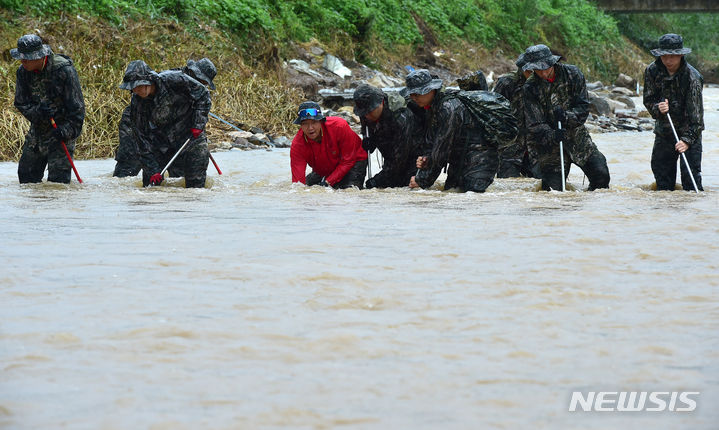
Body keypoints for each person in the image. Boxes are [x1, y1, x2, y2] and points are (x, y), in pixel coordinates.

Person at [405, 69, 513, 192]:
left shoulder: (448, 108)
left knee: (472, 197)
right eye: (411, 94)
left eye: (417, 94)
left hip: (480, 160)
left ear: (431, 90)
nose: (413, 97)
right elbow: (431, 143)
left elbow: (442, 149)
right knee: (451, 193)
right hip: (459, 160)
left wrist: (422, 180)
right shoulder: (431, 108)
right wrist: (425, 159)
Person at [522, 44, 610, 191]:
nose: (543, 73)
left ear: (553, 62)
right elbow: (534, 124)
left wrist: (566, 117)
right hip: (550, 145)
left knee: (601, 175)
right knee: (552, 190)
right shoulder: (530, 87)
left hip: (577, 137)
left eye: (545, 68)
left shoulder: (572, 74)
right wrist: (553, 135)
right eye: (537, 69)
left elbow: (583, 108)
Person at [114, 58, 217, 177]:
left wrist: (198, 125)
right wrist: (153, 170)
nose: (201, 84)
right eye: (201, 81)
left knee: (178, 171)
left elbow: (202, 101)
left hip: (167, 129)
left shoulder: (194, 91)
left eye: (204, 83)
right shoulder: (174, 79)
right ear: (192, 72)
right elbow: (142, 141)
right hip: (140, 125)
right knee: (130, 161)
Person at [12, 34, 85, 184]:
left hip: (62, 132)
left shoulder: (64, 70)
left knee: (58, 184)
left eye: (27, 58)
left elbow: (77, 109)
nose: (22, 61)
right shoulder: (22, 72)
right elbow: (21, 103)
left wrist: (65, 131)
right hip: (38, 132)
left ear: (39, 57)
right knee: (26, 177)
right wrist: (38, 111)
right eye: (21, 57)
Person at [643, 34, 704, 191]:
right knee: (662, 183)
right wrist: (658, 108)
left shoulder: (692, 77)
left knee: (691, 184)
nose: (668, 60)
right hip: (665, 131)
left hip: (689, 132)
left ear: (681, 55)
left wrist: (686, 141)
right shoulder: (652, 71)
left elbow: (697, 119)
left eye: (672, 56)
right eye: (664, 56)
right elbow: (648, 100)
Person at [352, 84, 423, 189]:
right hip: (390, 156)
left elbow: (398, 160)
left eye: (369, 111)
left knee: (403, 189)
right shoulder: (365, 113)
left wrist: (378, 180)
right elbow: (367, 132)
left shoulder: (400, 117)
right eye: (364, 113)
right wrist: (369, 141)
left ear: (381, 102)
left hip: (413, 158)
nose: (367, 116)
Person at [290, 101, 368, 189]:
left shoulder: (339, 126)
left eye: (314, 122)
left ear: (321, 121)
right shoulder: (297, 145)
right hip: (326, 168)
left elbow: (348, 161)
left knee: (348, 192)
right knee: (308, 187)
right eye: (305, 123)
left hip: (354, 161)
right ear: (300, 125)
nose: (310, 128)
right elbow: (297, 184)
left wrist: (328, 182)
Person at [492, 53, 538, 178]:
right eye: (530, 71)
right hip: (509, 147)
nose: (534, 74)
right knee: (508, 183)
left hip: (532, 147)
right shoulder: (507, 82)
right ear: (523, 69)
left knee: (540, 184)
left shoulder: (539, 84)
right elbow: (493, 110)